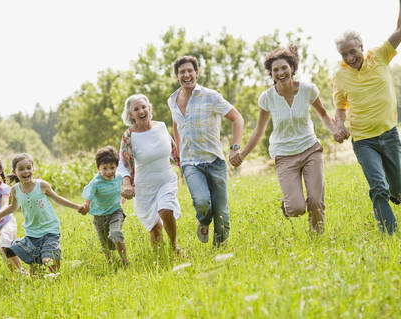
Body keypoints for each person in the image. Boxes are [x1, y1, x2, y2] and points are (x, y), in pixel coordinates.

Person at [236, 45, 337, 232]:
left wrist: (335, 130)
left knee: (316, 200)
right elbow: (259, 130)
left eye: (284, 68)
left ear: (292, 68)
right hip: (284, 155)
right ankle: (288, 205)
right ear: (271, 74)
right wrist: (242, 154)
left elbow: (323, 115)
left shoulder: (308, 90)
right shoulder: (267, 98)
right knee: (296, 208)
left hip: (310, 149)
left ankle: (317, 240)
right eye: (275, 70)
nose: (280, 72)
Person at [332, 1, 401, 235]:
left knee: (399, 189)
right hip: (364, 140)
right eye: (344, 54)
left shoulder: (380, 55)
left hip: (389, 134)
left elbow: (399, 31)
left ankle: (396, 192)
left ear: (362, 45)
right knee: (378, 187)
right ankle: (389, 234)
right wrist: (339, 126)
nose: (350, 57)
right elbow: (340, 107)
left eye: (353, 51)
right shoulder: (340, 76)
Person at [167, 56, 244, 246]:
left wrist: (234, 148)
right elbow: (176, 124)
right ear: (177, 76)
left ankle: (218, 251)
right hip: (190, 162)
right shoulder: (172, 100)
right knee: (202, 202)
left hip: (214, 160)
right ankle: (203, 220)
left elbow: (237, 119)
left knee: (221, 212)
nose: (186, 75)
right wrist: (178, 152)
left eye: (189, 71)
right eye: (182, 72)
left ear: (196, 73)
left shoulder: (211, 96)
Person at [0, 153, 82, 274]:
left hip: (49, 229)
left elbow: (57, 199)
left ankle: (56, 273)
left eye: (28, 167)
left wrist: (77, 207)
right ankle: (37, 283)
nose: (25, 171)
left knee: (48, 259)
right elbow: (12, 207)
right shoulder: (15, 190)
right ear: (14, 172)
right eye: (21, 169)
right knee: (33, 270)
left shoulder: (42, 185)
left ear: (33, 169)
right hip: (32, 232)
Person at [118, 94, 182, 254]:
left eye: (144, 107)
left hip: (166, 179)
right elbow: (124, 163)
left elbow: (175, 152)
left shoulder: (160, 126)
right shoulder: (128, 136)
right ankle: (160, 261)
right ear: (130, 114)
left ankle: (174, 247)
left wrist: (187, 169)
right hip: (144, 186)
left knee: (165, 210)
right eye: (136, 109)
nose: (141, 111)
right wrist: (126, 184)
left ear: (149, 108)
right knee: (155, 229)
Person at [78, 146, 128, 265]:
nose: (109, 171)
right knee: (106, 246)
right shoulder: (95, 183)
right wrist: (86, 206)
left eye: (112, 168)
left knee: (115, 234)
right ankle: (112, 264)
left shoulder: (119, 177)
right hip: (99, 216)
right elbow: (88, 198)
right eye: (104, 168)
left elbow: (124, 187)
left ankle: (125, 261)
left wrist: (124, 195)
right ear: (98, 168)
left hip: (116, 212)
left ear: (117, 166)